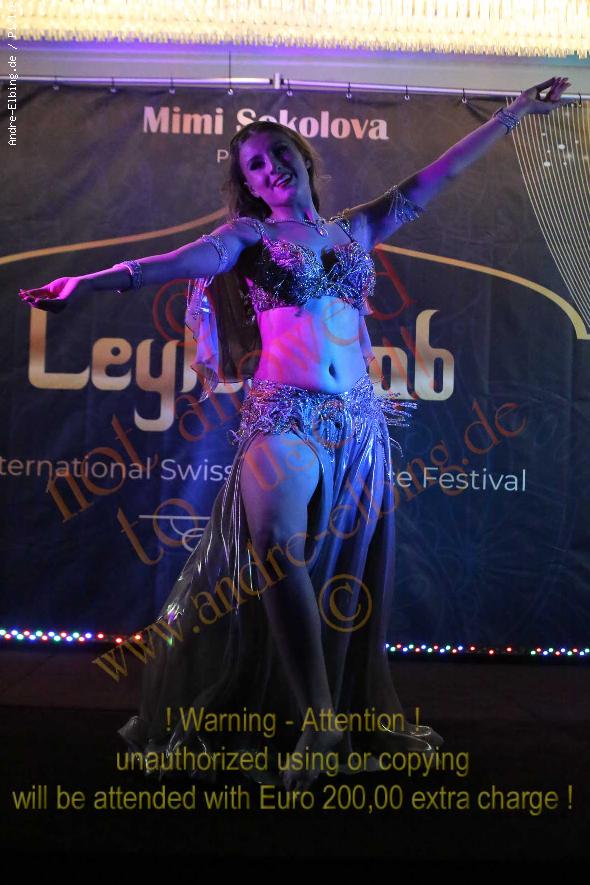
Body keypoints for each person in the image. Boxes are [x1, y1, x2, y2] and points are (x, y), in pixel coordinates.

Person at [19, 77, 571, 792]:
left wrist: (513, 114)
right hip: (283, 413)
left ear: (303, 158)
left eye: (278, 152)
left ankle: (322, 710)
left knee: (339, 571)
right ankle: (320, 717)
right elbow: (176, 263)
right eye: (253, 164)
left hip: (359, 422)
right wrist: (90, 282)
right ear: (248, 186)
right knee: (277, 545)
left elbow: (436, 176)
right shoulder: (248, 238)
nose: (269, 167)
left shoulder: (358, 228)